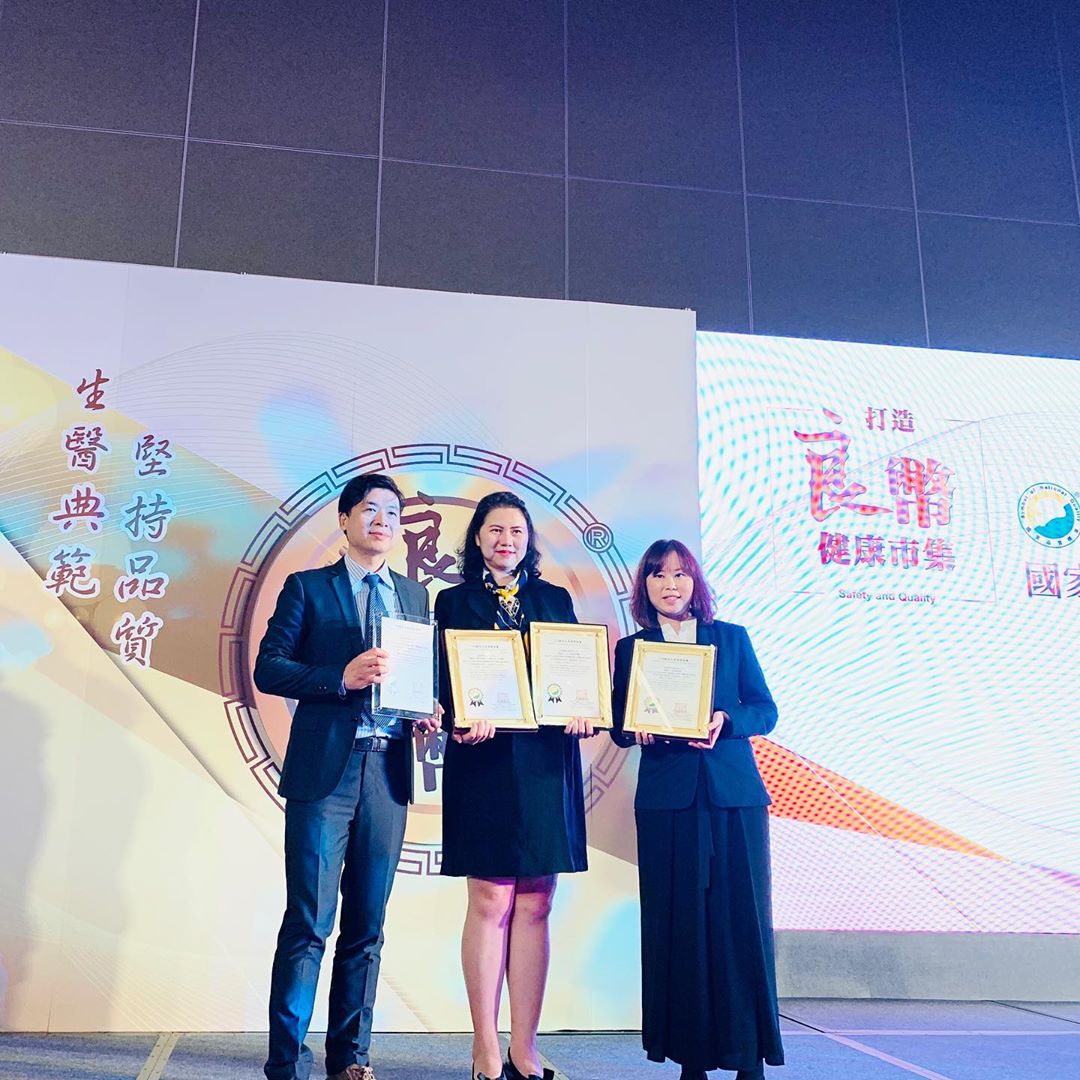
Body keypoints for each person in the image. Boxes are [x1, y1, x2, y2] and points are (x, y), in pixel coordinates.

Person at [255, 473, 441, 1080]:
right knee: (309, 922)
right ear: (345, 520)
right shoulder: (308, 587)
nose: (382, 521)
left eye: (392, 512)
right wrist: (340, 677)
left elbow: (417, 675)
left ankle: (351, 1060)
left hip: (388, 771)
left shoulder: (414, 597)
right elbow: (269, 668)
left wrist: (426, 707)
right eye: (369, 510)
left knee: (367, 927)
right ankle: (287, 1063)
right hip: (325, 777)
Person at [611, 539, 784, 1080]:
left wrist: (726, 721)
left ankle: (748, 1055)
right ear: (644, 586)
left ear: (695, 582)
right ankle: (691, 1057)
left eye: (680, 574)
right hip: (668, 801)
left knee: (741, 921)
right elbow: (618, 725)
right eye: (659, 575)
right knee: (678, 924)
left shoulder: (731, 638)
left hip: (734, 795)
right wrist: (634, 729)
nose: (671, 584)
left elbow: (765, 709)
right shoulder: (633, 649)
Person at [434, 490, 592, 1080]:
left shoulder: (554, 599)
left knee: (536, 902)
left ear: (529, 542)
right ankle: (484, 1047)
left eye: (517, 532)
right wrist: (457, 716)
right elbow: (441, 681)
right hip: (484, 761)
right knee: (490, 899)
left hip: (546, 761)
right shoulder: (453, 602)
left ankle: (525, 1050)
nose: (506, 541)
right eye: (495, 530)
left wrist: (583, 709)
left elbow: (575, 676)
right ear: (477, 537)